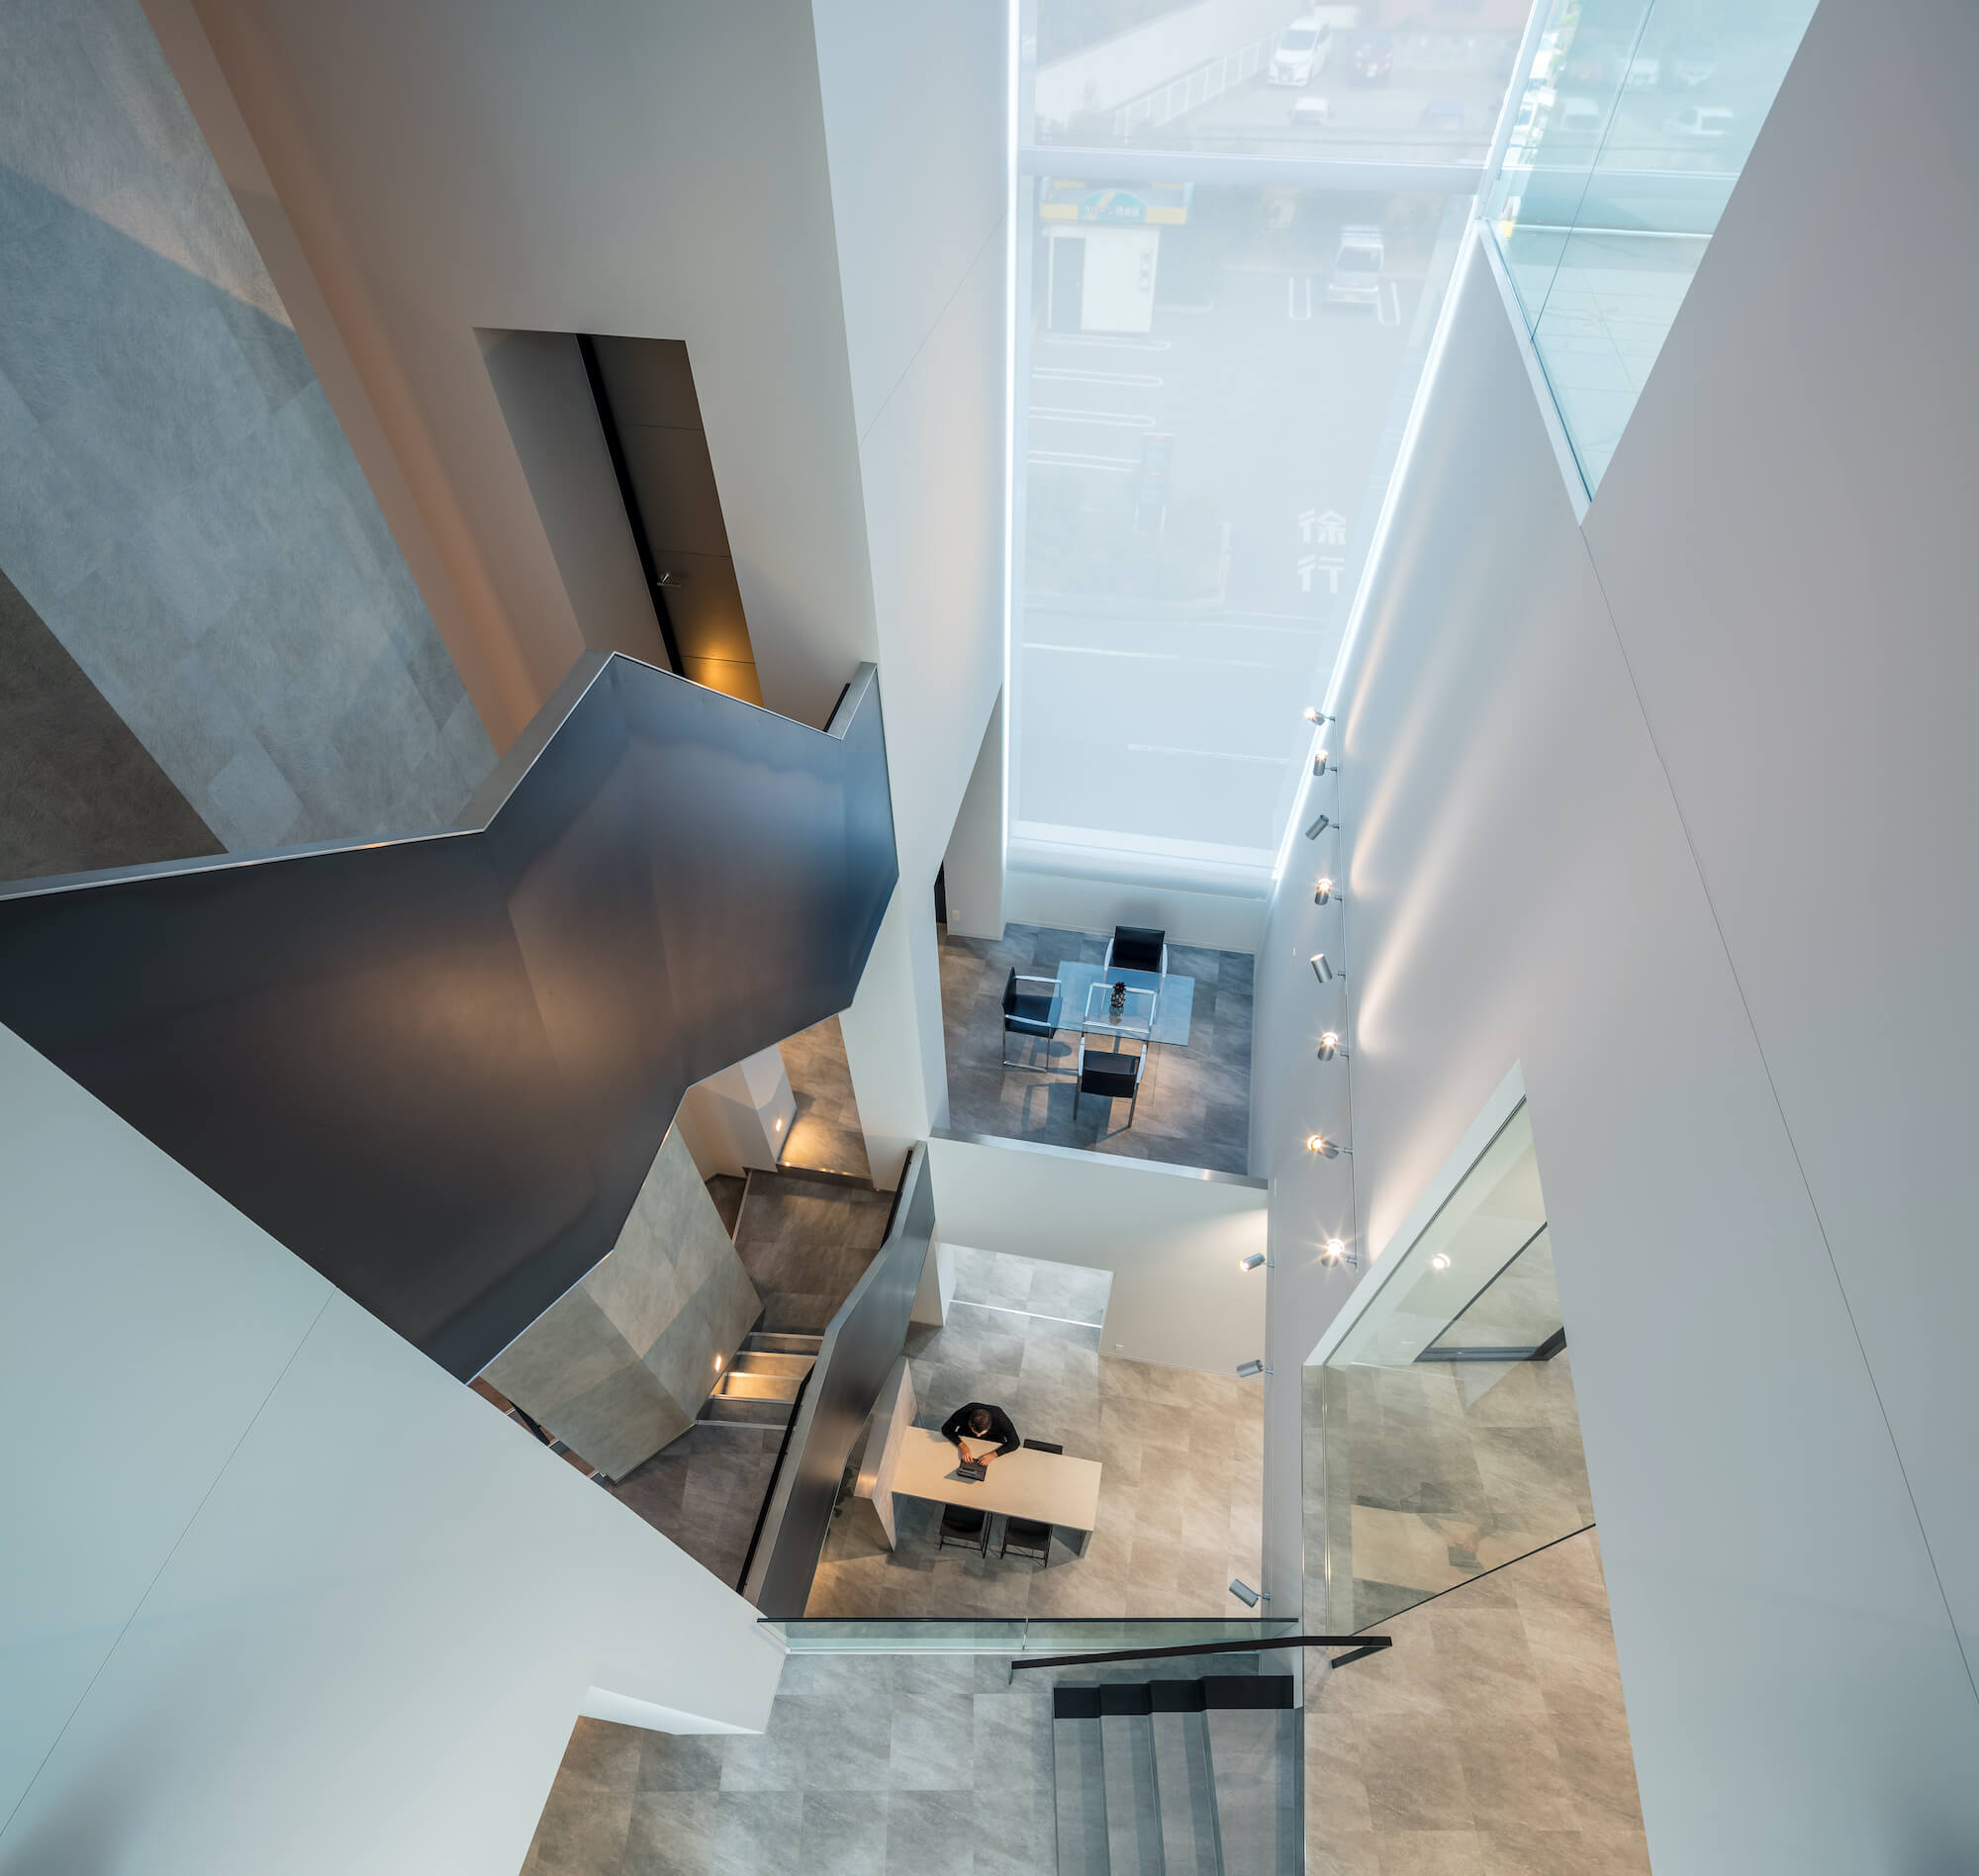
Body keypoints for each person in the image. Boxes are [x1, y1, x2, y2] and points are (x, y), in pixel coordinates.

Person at [939, 1400, 1019, 1467]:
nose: (978, 1436)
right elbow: (946, 1429)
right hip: (967, 1437)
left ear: (989, 1426)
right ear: (969, 1423)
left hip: (993, 1441)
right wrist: (963, 1446)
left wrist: (993, 1454)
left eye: (981, 1433)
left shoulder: (1000, 1418)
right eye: (975, 1432)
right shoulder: (965, 1411)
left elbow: (1015, 1442)